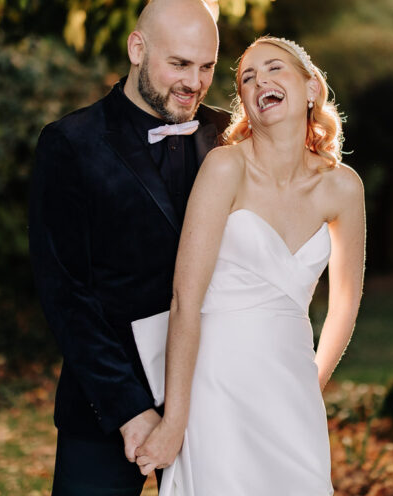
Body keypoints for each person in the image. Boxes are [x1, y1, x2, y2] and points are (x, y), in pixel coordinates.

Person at [134, 36, 366, 495]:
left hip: (292, 384)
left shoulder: (343, 187)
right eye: (247, 77)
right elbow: (186, 301)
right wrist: (176, 419)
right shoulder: (225, 168)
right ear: (245, 102)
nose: (261, 80)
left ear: (311, 88)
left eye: (275, 68)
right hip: (216, 381)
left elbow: (344, 304)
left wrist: (310, 383)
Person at [28, 0, 231, 495]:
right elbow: (65, 294)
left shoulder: (231, 138)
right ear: (137, 48)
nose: (194, 83)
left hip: (212, 399)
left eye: (206, 67)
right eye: (180, 64)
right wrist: (129, 411)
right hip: (102, 409)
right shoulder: (69, 144)